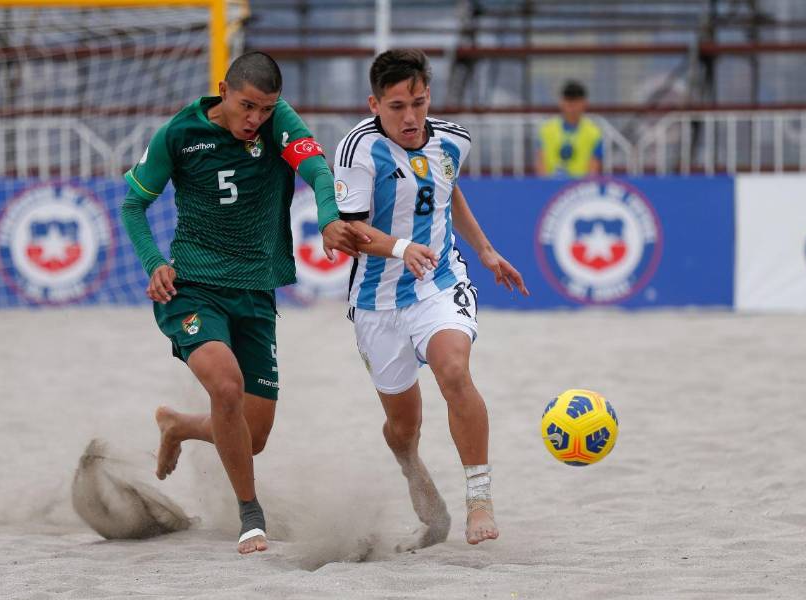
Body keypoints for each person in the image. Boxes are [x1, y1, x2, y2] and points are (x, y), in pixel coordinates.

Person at [121, 51, 368, 554]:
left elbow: (319, 171)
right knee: (227, 386)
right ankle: (250, 516)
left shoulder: (279, 122)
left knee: (252, 438)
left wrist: (326, 219)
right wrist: (154, 263)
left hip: (255, 290)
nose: (255, 119)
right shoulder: (179, 133)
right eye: (247, 106)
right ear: (224, 91)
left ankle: (178, 425)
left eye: (265, 109)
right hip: (191, 286)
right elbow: (133, 204)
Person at [332, 49, 529, 549]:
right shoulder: (356, 150)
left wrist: (485, 250)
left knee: (455, 371)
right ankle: (412, 468)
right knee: (403, 427)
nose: (410, 117)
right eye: (397, 106)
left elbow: (447, 189)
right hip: (377, 301)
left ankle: (479, 497)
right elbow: (352, 230)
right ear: (374, 104)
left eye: (418, 103)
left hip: (439, 282)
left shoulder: (453, 139)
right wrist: (400, 247)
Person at [535, 80, 603, 177]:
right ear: (561, 103)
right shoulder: (547, 130)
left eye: (576, 103)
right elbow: (540, 162)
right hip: (550, 187)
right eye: (569, 103)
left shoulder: (594, 133)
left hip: (579, 189)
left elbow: (594, 167)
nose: (572, 108)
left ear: (584, 103)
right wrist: (545, 185)